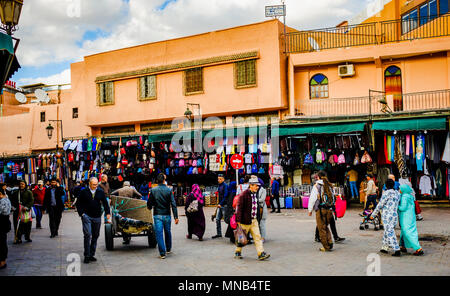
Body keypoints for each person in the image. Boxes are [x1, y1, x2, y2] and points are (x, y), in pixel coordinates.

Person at [234, 175, 270, 260]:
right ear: (251, 185)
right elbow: (239, 208)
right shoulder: (243, 195)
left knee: (257, 237)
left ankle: (261, 253)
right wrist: (238, 221)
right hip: (245, 221)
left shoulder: (255, 194)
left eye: (258, 186)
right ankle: (238, 251)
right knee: (241, 237)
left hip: (254, 220)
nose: (257, 187)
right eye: (256, 185)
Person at [76, 177, 111, 264]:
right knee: (87, 234)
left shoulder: (100, 191)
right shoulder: (83, 192)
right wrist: (82, 214)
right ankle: (87, 255)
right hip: (86, 216)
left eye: (96, 184)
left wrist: (108, 213)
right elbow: (78, 203)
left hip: (97, 216)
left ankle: (92, 254)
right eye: (93, 184)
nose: (95, 186)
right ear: (89, 184)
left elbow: (105, 203)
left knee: (95, 235)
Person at [147, 173, 179, 259]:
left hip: (157, 214)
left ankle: (162, 253)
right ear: (164, 180)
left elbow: (149, 203)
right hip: (167, 215)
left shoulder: (153, 190)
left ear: (157, 181)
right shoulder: (169, 190)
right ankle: (168, 248)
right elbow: (173, 204)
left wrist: (150, 207)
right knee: (168, 231)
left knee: (159, 234)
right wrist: (176, 217)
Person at [370, 179, 401, 256]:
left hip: (387, 215)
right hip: (394, 215)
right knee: (387, 231)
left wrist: (373, 215)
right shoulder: (397, 193)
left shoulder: (386, 193)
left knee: (389, 231)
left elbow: (380, 205)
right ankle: (385, 247)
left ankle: (396, 249)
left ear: (386, 185)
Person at [312, 173, 345, 243]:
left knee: (326, 222)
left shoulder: (323, 185)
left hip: (325, 207)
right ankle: (318, 236)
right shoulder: (320, 186)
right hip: (324, 207)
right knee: (323, 223)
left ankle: (334, 237)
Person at [308, 171, 335, 252]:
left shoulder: (317, 186)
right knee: (325, 227)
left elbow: (312, 199)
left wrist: (310, 210)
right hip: (329, 210)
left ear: (318, 177)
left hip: (320, 210)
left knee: (321, 228)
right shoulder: (330, 185)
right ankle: (330, 243)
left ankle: (326, 246)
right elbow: (333, 198)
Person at [398, 184, 424, 256]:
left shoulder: (404, 197)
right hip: (411, 216)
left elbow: (403, 208)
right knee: (405, 231)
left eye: (400, 189)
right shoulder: (410, 196)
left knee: (408, 232)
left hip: (405, 217)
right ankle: (403, 246)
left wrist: (396, 206)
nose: (399, 190)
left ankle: (418, 248)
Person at [212, 174, 228, 239]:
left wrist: (221, 203)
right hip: (220, 205)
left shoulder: (225, 186)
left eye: (220, 179)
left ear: (223, 179)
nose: (219, 180)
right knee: (217, 219)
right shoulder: (219, 186)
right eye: (218, 179)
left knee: (227, 220)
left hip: (224, 205)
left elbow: (225, 195)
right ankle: (219, 233)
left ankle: (232, 232)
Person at [0, 188, 11, 269]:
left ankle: (2, 262)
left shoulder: (3, 201)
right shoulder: (6, 199)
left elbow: (3, 211)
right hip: (4, 224)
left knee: (2, 243)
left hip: (2, 225)